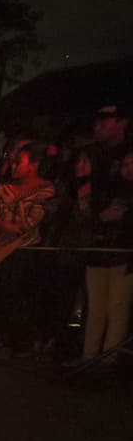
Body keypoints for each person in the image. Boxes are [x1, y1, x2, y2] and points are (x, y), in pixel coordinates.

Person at [0, 141, 56, 355]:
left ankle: (13, 340)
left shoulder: (45, 189)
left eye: (19, 162)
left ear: (33, 165)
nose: (13, 165)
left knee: (14, 294)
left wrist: (8, 213)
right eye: (13, 161)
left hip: (21, 251)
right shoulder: (3, 187)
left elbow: (30, 223)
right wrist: (6, 224)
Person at [82, 149, 133, 362]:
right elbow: (91, 215)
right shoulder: (107, 189)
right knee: (96, 309)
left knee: (117, 309)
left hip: (125, 257)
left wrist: (125, 216)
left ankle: (108, 360)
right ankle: (89, 357)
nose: (127, 168)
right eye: (125, 164)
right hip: (100, 254)